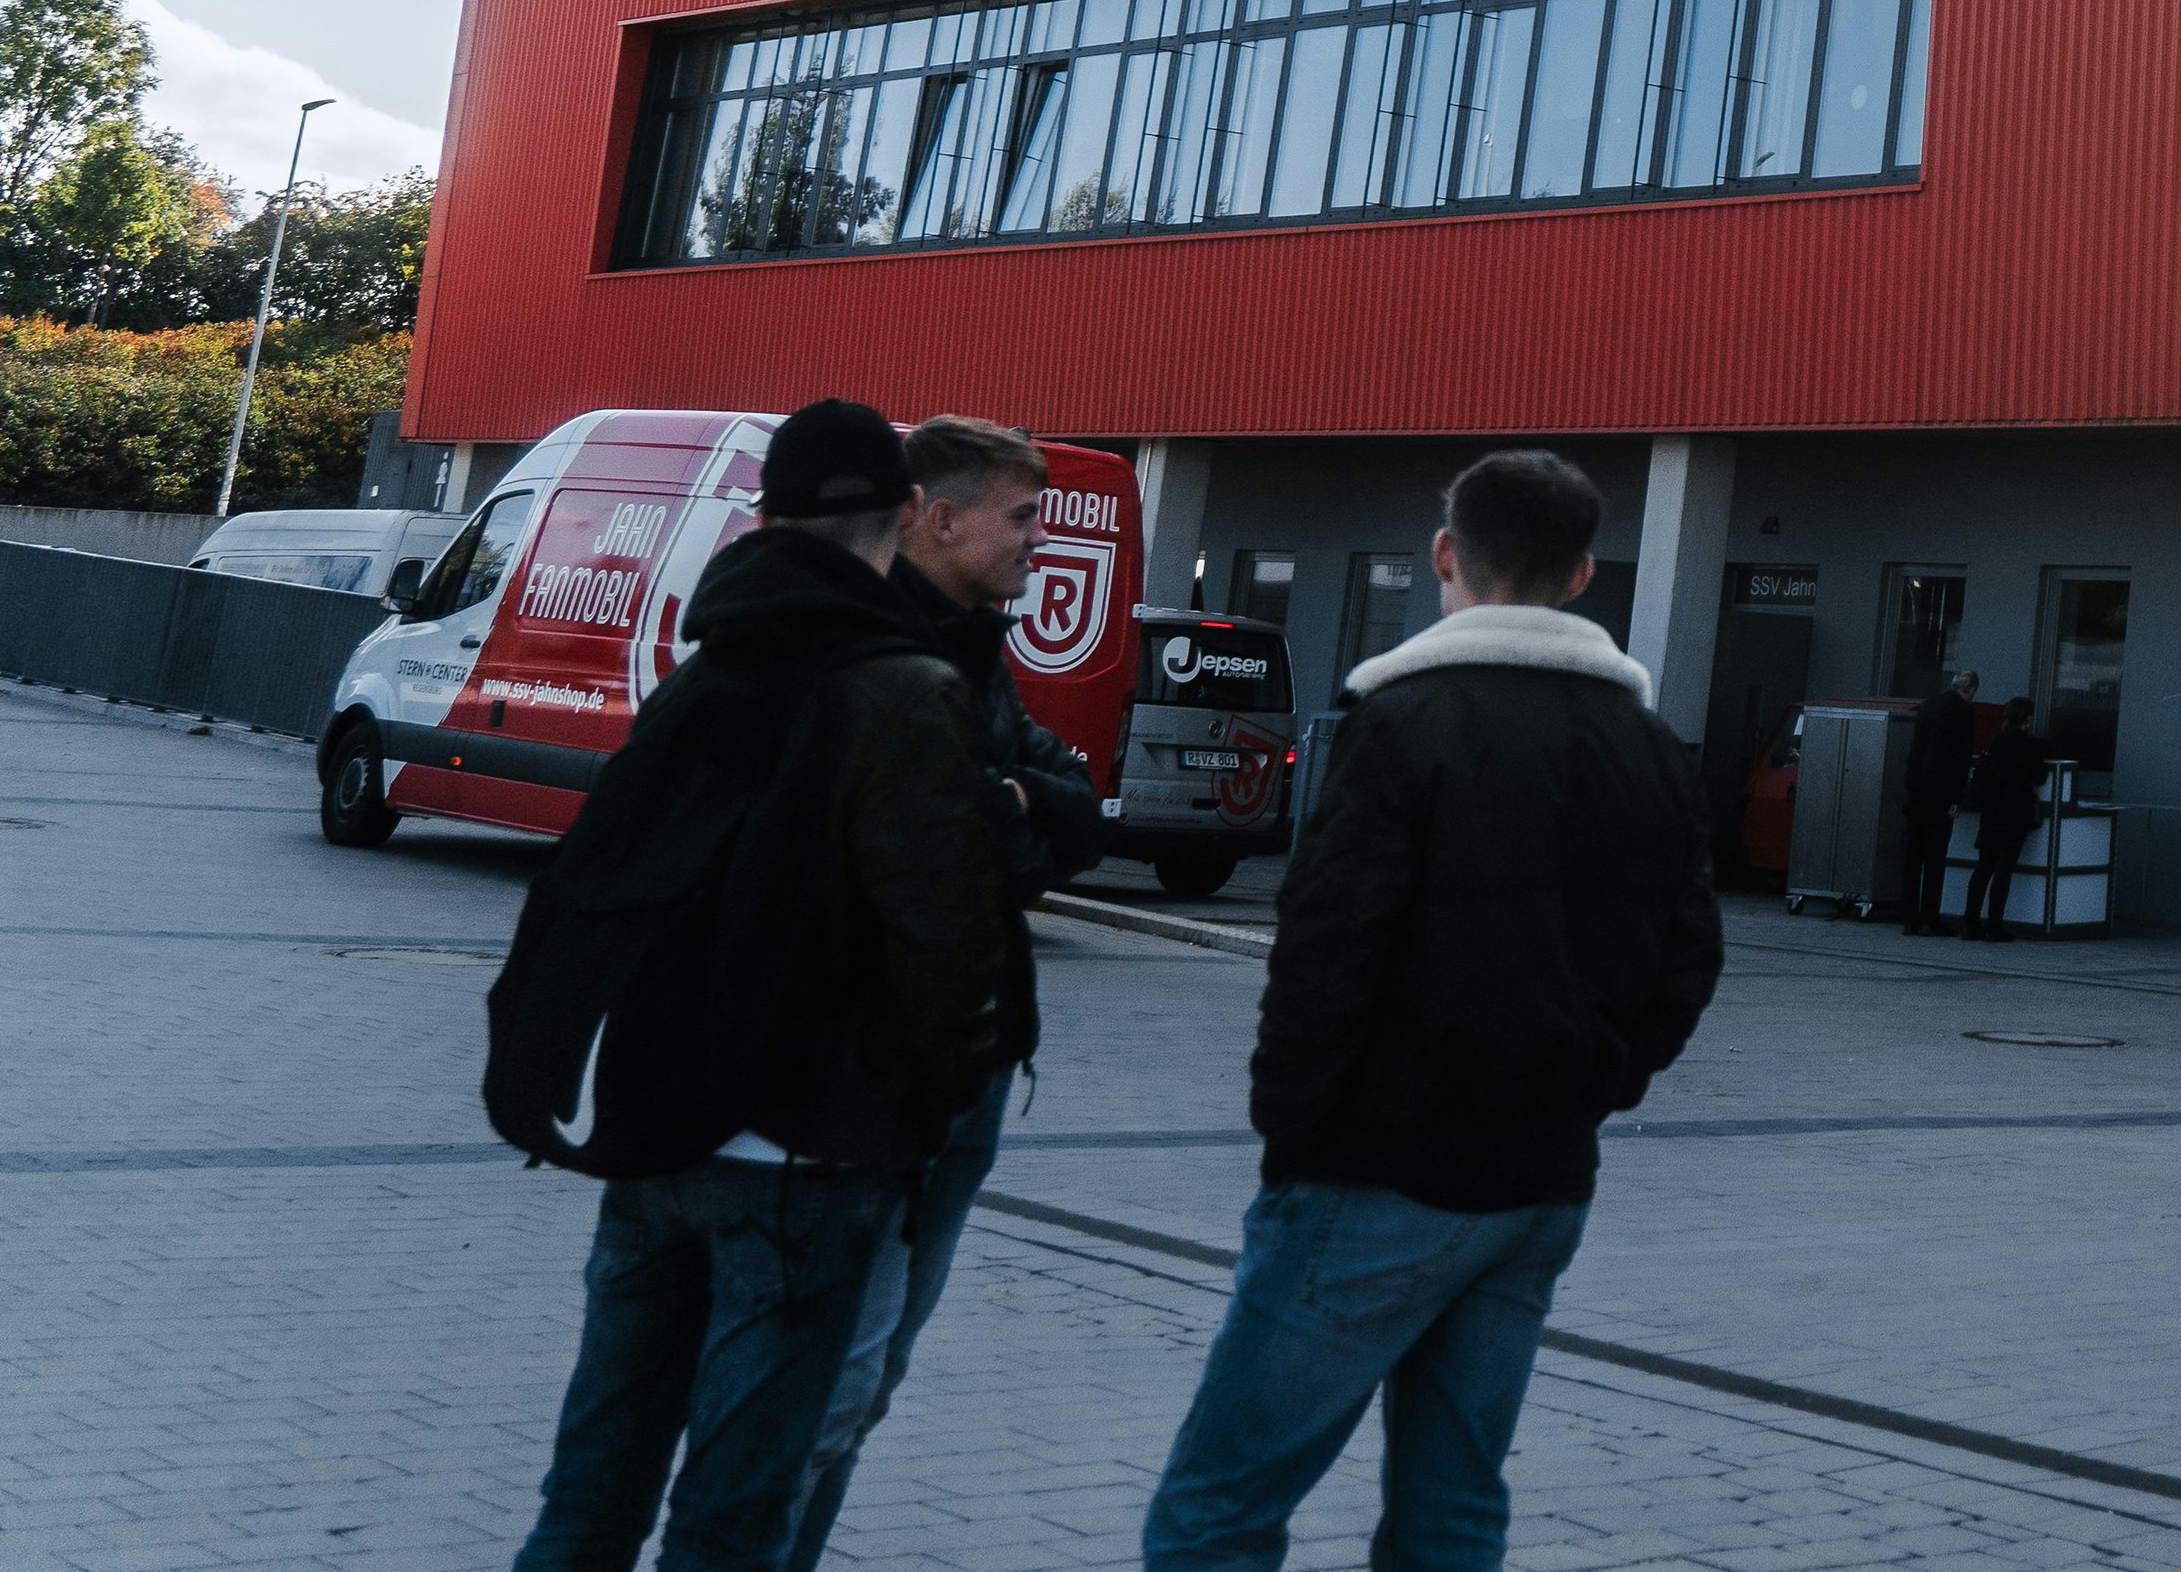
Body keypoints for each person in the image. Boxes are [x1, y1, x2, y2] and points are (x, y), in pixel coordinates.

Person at [1142, 448, 1724, 1572]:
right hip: (1540, 1183)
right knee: (1454, 1507)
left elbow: (1325, 951)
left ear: (1446, 554)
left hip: (1375, 1171)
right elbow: (1687, 960)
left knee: (1218, 1507)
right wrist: (1596, 1084)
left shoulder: (1404, 718)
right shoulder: (1649, 745)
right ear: (1584, 572)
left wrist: (1297, 1139)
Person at [506, 400, 1005, 1572]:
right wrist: (922, 1119)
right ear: (899, 519)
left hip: (653, 1136)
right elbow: (947, 942)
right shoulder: (899, 687)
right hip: (808, 1159)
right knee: (735, 1514)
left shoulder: (707, 664)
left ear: (767, 517)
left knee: (591, 1489)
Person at [778, 417, 1101, 1572]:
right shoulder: (867, 656)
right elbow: (951, 847)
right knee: (831, 1379)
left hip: (968, 1071)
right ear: (936, 516)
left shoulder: (978, 644)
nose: (1041, 538)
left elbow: (1071, 807)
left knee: (871, 1379)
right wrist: (1013, 814)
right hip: (878, 1082)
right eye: (1022, 515)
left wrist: (1015, 806)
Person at [1891, 671, 1978, 936]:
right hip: (1942, 791)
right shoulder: (1964, 712)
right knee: (1935, 856)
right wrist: (1957, 797)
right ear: (1971, 690)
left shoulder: (1929, 706)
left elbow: (1917, 750)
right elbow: (1960, 757)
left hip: (1917, 790)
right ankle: (1930, 915)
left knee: (1913, 857)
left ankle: (1909, 917)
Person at [1960, 695, 2052, 939]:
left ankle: (1970, 923)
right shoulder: (2031, 746)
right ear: (2028, 718)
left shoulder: (1994, 741)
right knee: (2004, 869)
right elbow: (2040, 776)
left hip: (1991, 812)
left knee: (1984, 867)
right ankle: (1994, 925)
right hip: (2016, 813)